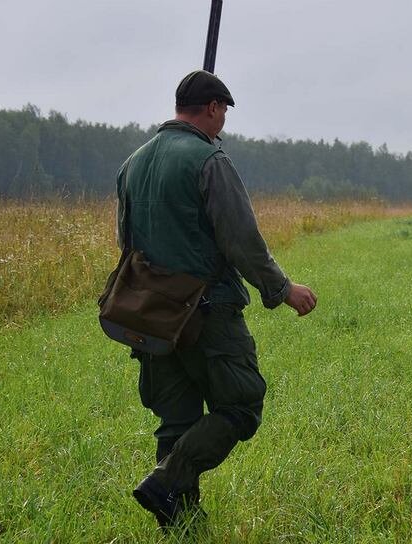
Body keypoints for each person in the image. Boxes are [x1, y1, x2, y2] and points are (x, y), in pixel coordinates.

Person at [115, 69, 317, 528]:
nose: (223, 119)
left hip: (149, 313)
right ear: (212, 109)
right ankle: (168, 483)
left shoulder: (131, 163)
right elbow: (242, 241)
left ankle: (180, 521)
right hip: (205, 311)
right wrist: (284, 291)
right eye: (223, 110)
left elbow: (125, 242)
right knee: (242, 405)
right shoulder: (210, 161)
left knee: (176, 418)